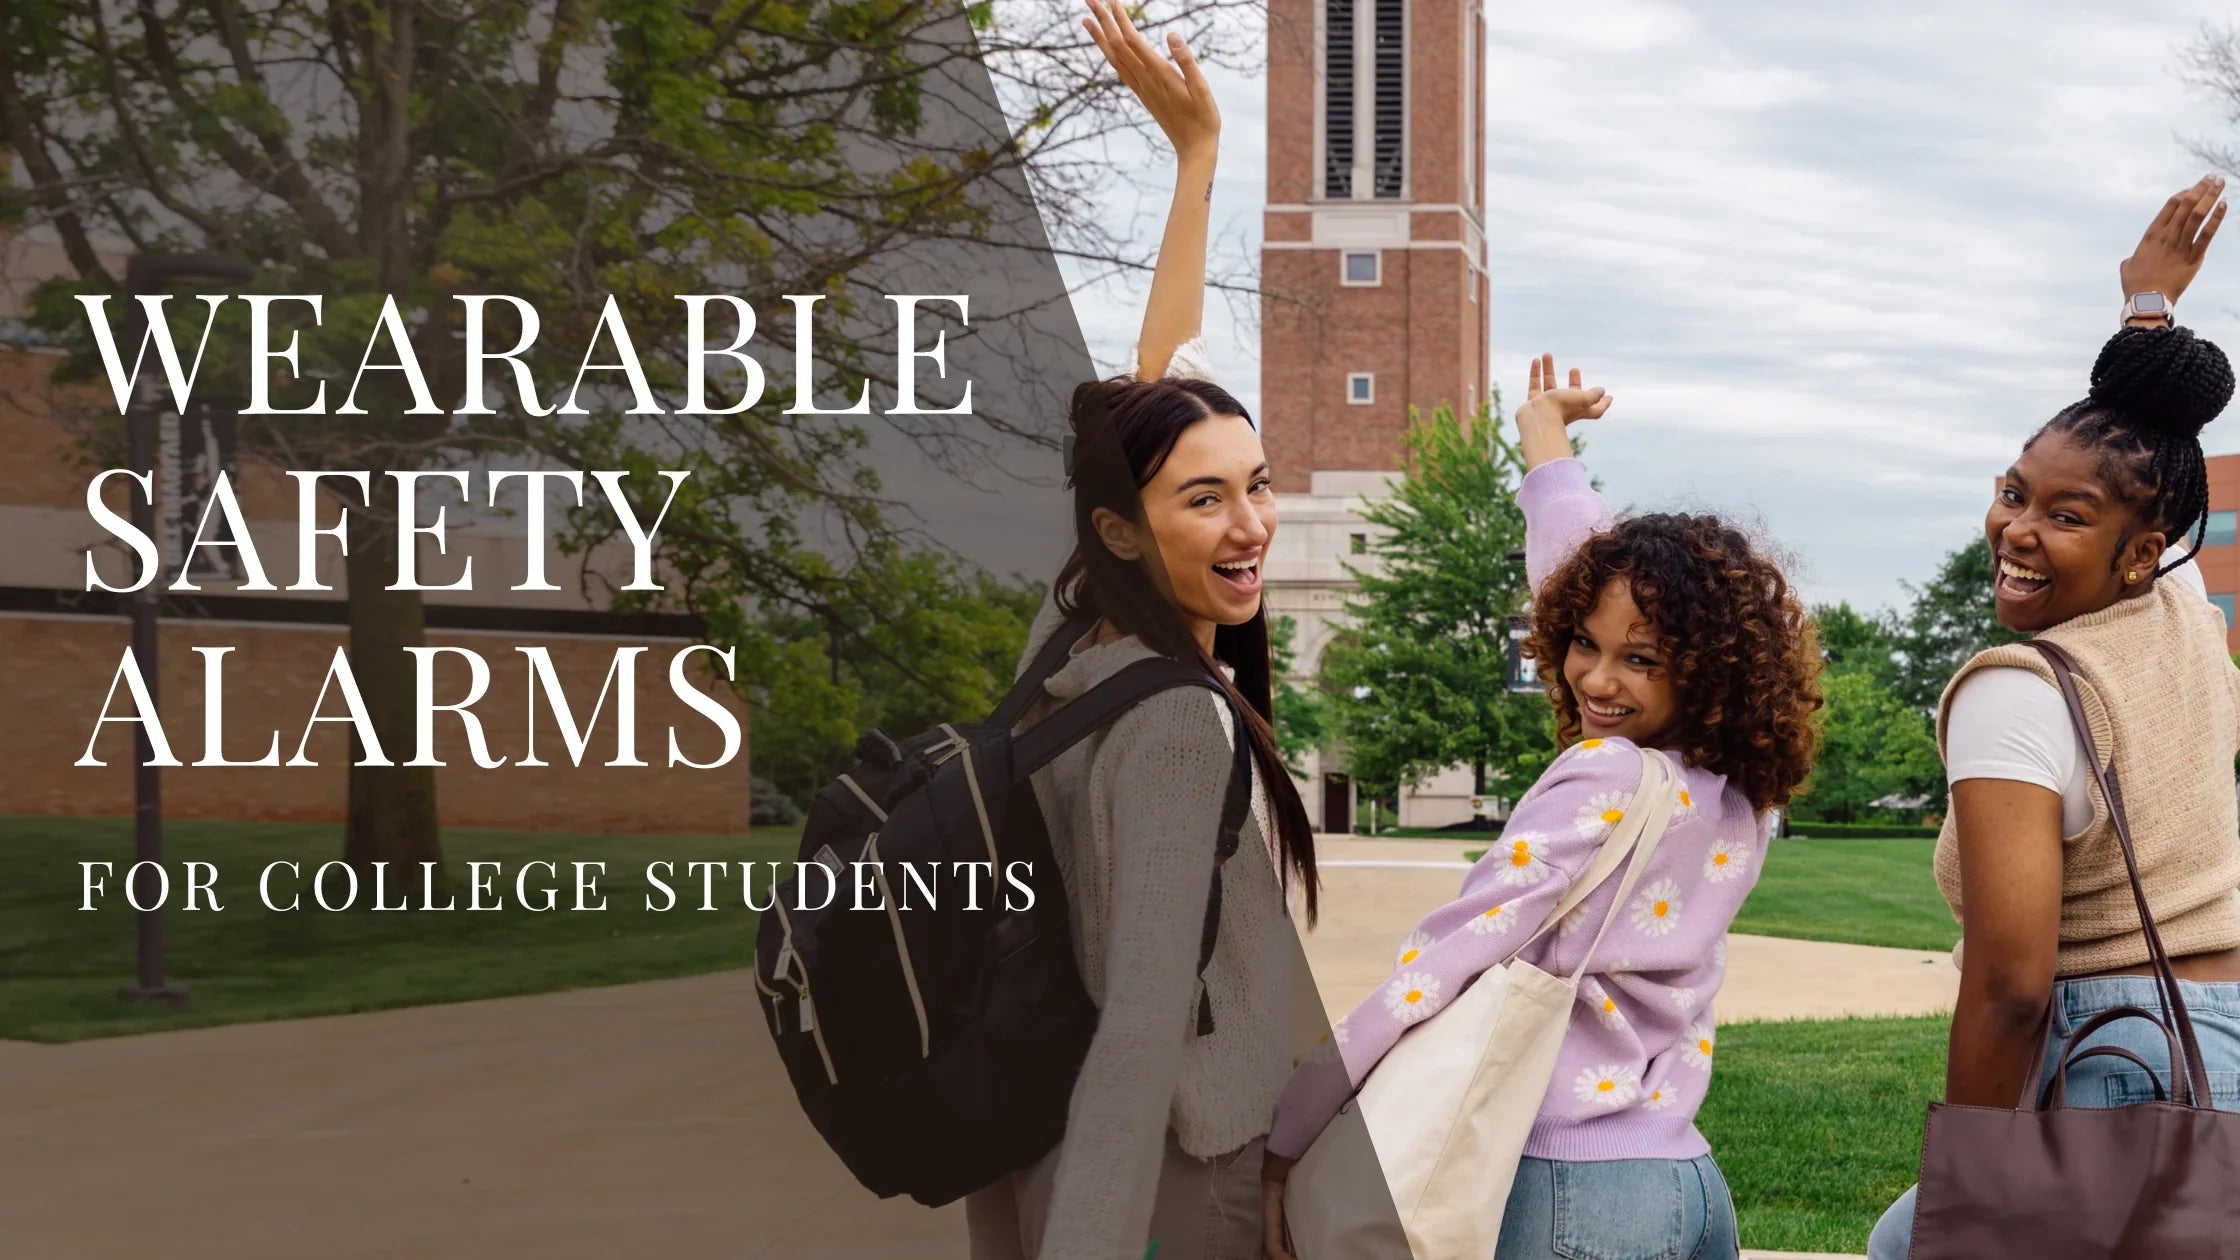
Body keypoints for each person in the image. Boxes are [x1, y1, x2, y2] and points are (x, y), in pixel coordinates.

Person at [1260, 357, 1824, 1260]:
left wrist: (1290, 1128)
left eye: (1640, 661)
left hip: (1573, 1193)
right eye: (1581, 644)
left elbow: (1440, 963)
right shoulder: (1736, 791)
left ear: (1703, 668)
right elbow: (1590, 577)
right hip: (1687, 1181)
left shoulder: (1606, 778)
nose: (1597, 678)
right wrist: (1544, 439)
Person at [962, 4, 1321, 1258]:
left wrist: (1194, 166)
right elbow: (1139, 1036)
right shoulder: (1176, 723)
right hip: (1153, 1179)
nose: (1249, 525)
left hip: (1022, 1136)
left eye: (1258, 484)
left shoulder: (1063, 646)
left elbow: (1148, 390)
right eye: (1206, 500)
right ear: (1125, 529)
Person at [1865, 177, 2240, 1259]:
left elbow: (2010, 983)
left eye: (2061, 516)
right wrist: (2144, 316)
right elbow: (2147, 469)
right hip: (2219, 1049)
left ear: (2133, 548)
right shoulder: (2181, 621)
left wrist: (1974, 1183)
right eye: (2012, 491)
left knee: (1921, 1244)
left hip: (2109, 1061)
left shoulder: (2016, 693)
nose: (2014, 529)